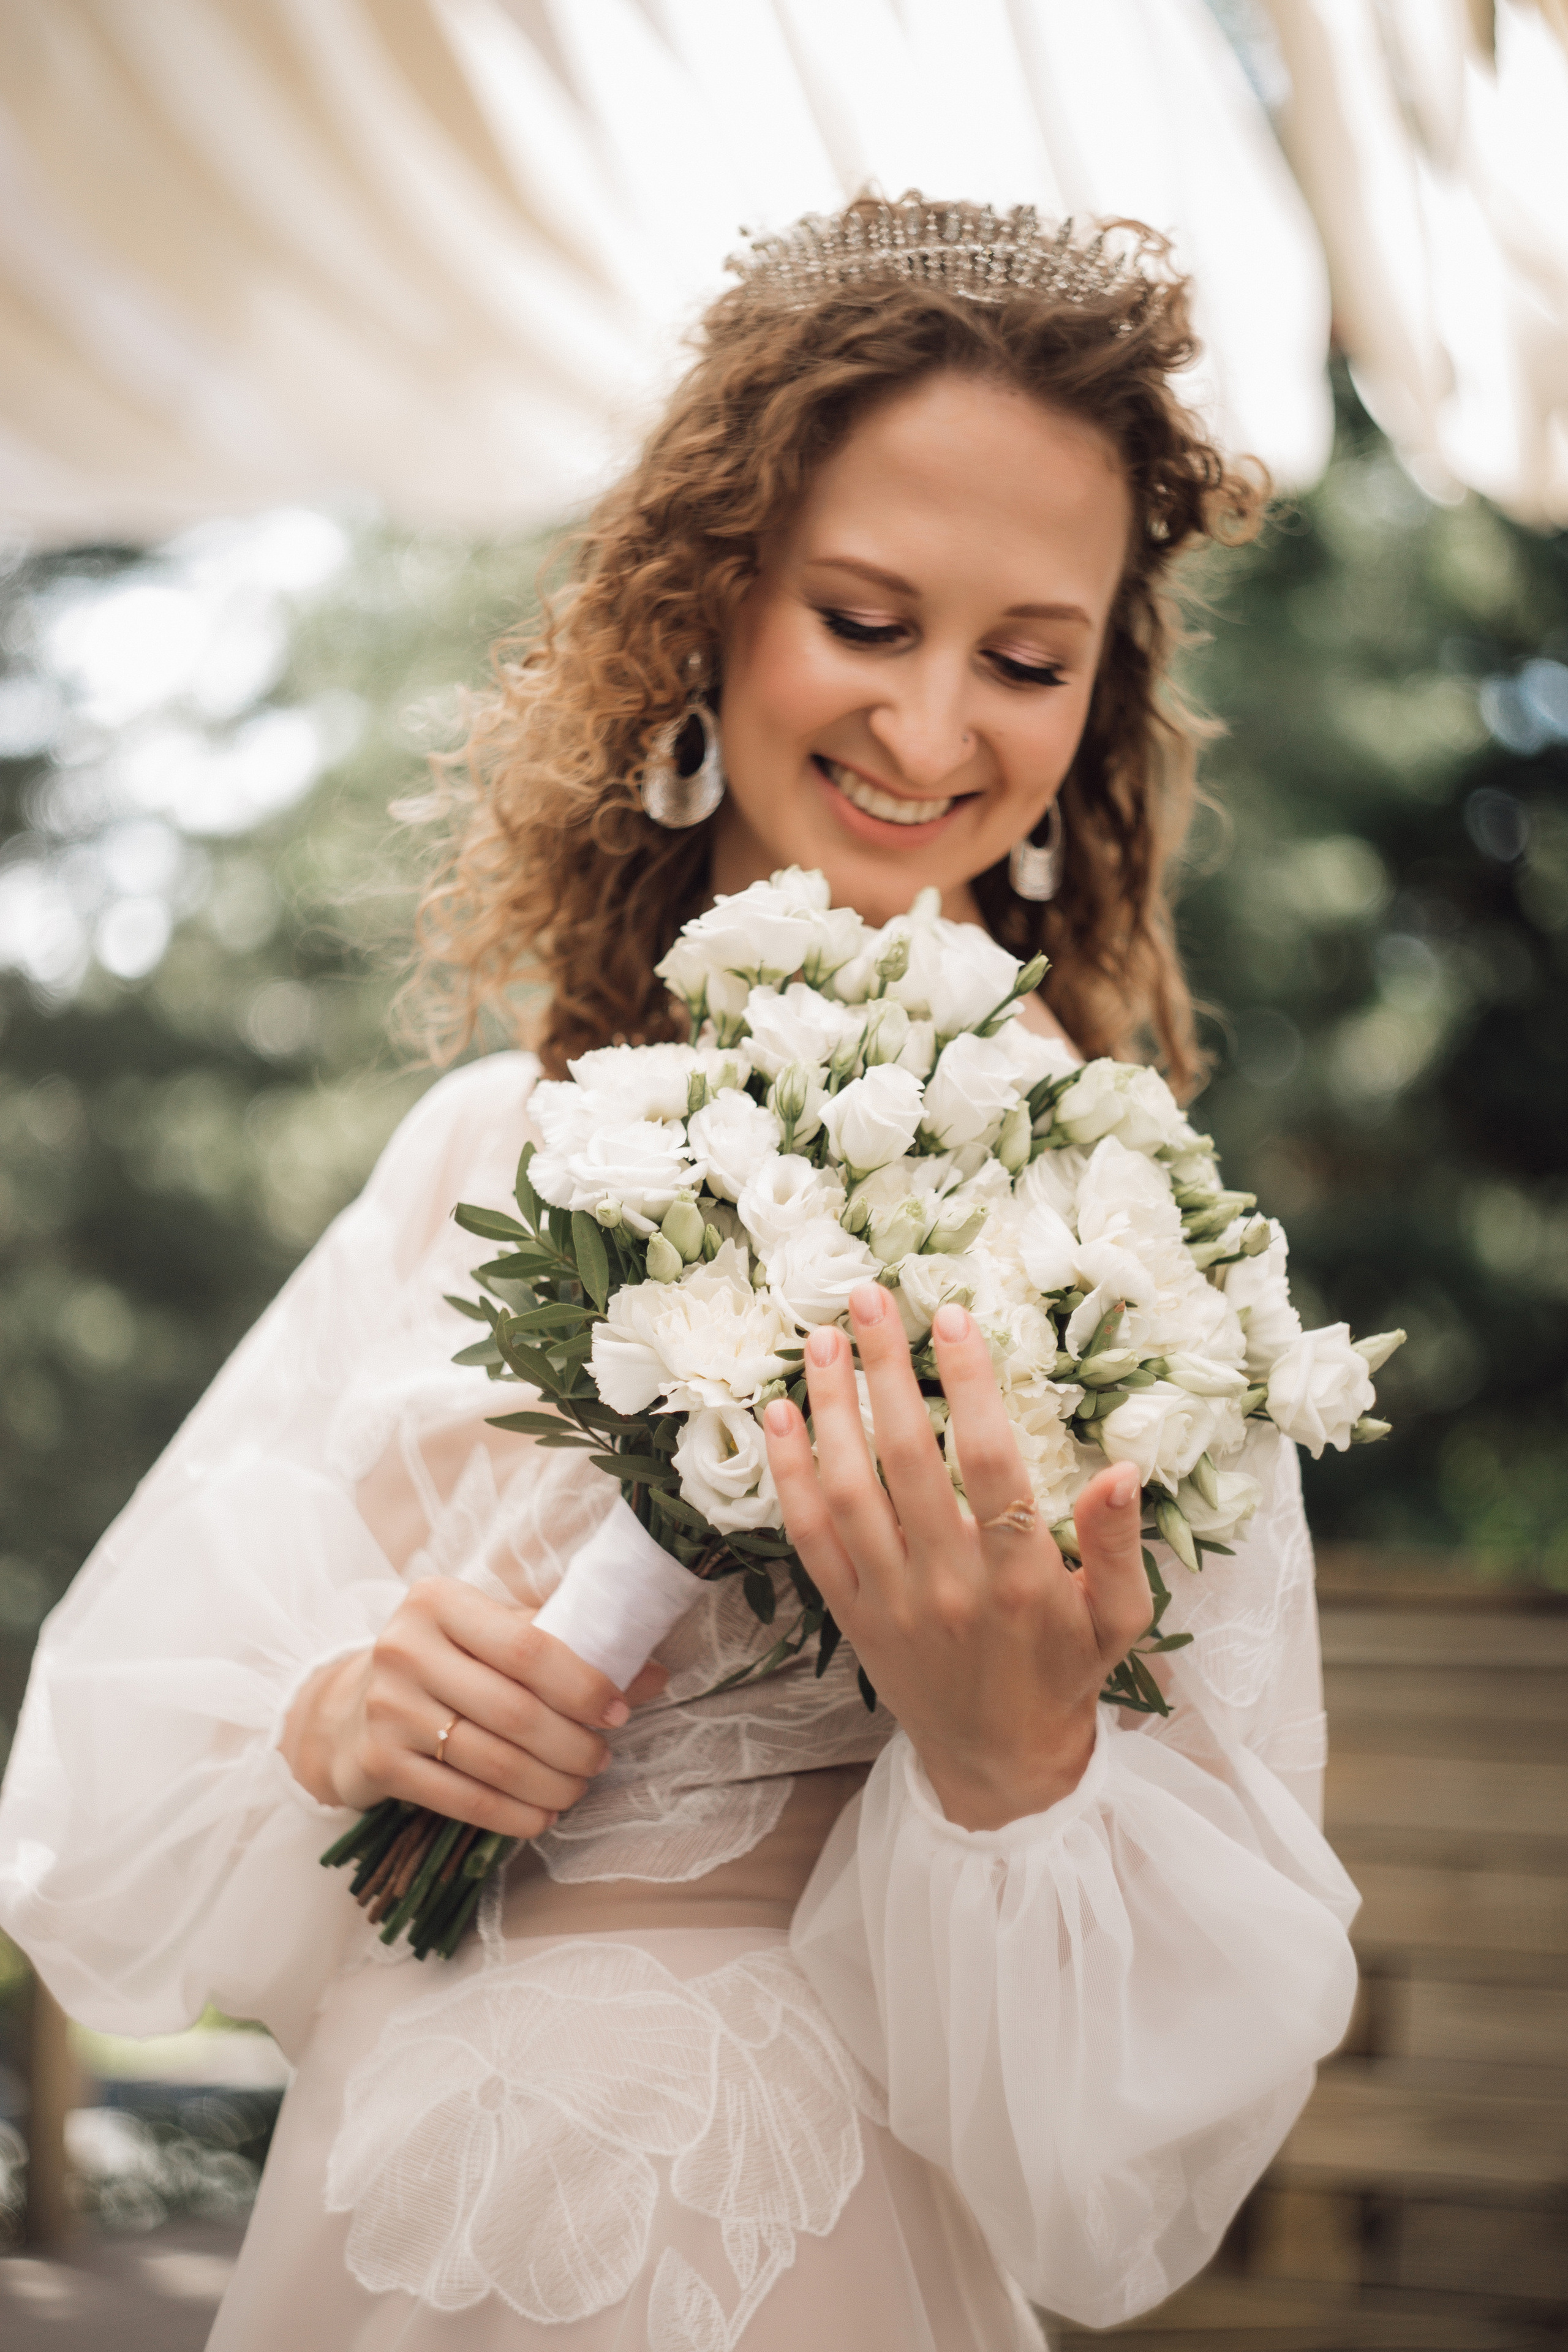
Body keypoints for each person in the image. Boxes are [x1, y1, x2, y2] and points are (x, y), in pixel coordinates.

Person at [0, 198, 1359, 2348]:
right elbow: (117, 1773)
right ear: (710, 613)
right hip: (387, 2221)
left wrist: (1016, 1767)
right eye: (864, 617)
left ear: (1094, 705)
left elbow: (1178, 2063)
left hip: (800, 2250)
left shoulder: (1130, 1243)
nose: (932, 727)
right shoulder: (473, 1152)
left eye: (1026, 657)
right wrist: (350, 1715)